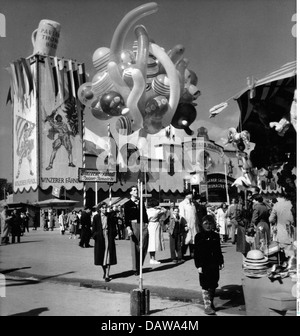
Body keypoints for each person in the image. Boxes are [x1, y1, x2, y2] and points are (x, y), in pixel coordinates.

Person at [194, 214, 224, 315]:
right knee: (205, 284)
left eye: (210, 224)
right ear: (202, 225)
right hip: (204, 264)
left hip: (214, 263)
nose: (208, 226)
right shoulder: (198, 236)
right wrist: (198, 265)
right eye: (205, 224)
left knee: (214, 283)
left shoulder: (215, 236)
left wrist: (221, 262)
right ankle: (207, 306)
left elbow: (218, 250)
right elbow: (197, 252)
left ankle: (210, 303)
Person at [123, 185, 149, 275]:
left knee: (144, 246)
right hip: (134, 225)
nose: (136, 191)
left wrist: (146, 223)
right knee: (135, 247)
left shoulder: (141, 202)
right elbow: (126, 218)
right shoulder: (127, 204)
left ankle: (140, 265)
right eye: (134, 190)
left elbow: (145, 214)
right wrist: (128, 228)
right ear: (130, 192)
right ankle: (136, 268)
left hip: (143, 225)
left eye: (137, 190)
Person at [92, 202, 117, 282]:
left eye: (105, 207)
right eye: (103, 208)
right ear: (99, 209)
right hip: (100, 237)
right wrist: (95, 235)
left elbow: (114, 226)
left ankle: (107, 274)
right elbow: (94, 228)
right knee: (101, 255)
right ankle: (104, 271)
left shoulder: (110, 216)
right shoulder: (96, 217)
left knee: (108, 255)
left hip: (108, 236)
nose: (104, 209)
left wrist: (113, 234)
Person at [179, 191, 199, 258]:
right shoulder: (182, 204)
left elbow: (195, 215)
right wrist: (184, 225)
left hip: (193, 224)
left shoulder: (193, 204)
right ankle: (182, 254)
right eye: (189, 194)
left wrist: (197, 224)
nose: (191, 195)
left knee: (193, 239)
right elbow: (182, 215)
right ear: (186, 195)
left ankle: (192, 253)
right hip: (187, 224)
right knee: (186, 240)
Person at [146, 198, 167, 265]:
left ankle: (152, 258)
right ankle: (153, 259)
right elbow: (165, 210)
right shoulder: (157, 211)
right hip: (155, 225)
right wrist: (160, 207)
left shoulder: (147, 210)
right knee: (154, 242)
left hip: (149, 225)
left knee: (151, 242)